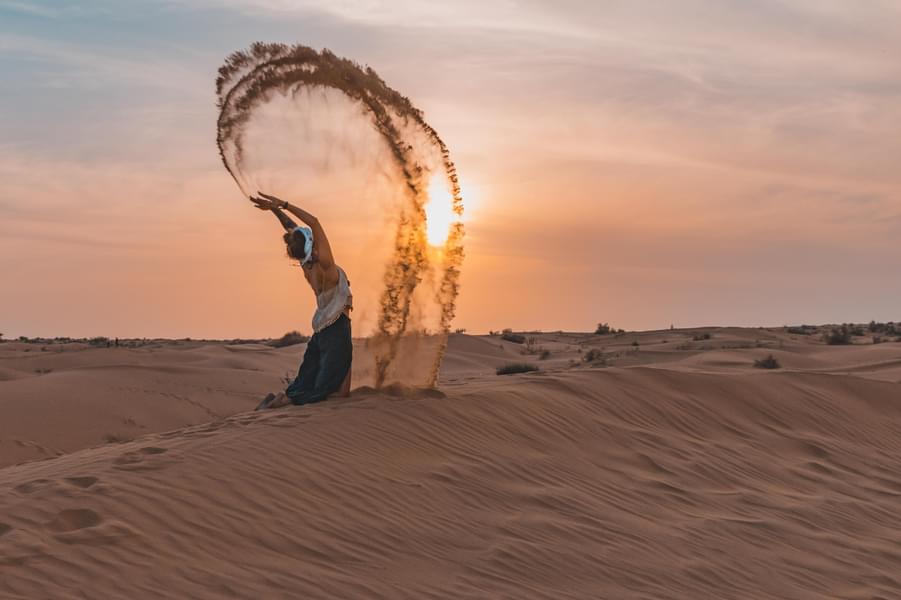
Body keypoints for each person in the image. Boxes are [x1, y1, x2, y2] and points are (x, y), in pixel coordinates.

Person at [250, 192, 353, 410]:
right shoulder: (326, 265)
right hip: (336, 330)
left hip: (321, 332)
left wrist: (275, 209)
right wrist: (284, 204)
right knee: (327, 393)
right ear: (313, 246)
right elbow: (314, 222)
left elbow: (292, 229)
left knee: (309, 383)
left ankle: (281, 399)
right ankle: (281, 403)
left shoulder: (307, 266)